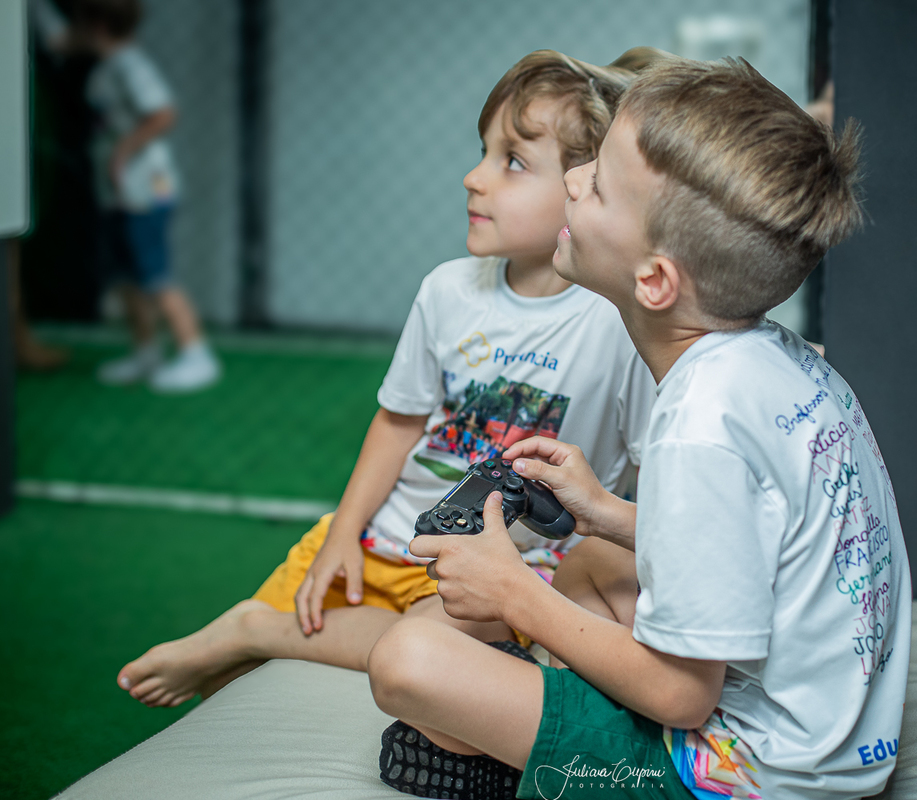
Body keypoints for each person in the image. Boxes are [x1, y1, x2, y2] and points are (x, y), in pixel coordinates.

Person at [367, 57, 912, 800]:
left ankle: (557, 766)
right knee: (591, 558)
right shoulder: (778, 363)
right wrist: (606, 512)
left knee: (407, 662)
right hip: (834, 742)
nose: (571, 180)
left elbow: (683, 697)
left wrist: (514, 593)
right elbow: (755, 542)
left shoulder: (698, 428)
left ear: (654, 280)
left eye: (597, 183)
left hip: (748, 776)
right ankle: (543, 725)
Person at [115, 49, 659, 709]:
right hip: (391, 534)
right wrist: (344, 532)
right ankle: (262, 631)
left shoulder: (622, 327)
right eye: (483, 153)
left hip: (498, 569)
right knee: (272, 650)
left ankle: (253, 631)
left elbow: (647, 480)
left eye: (513, 161)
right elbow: (399, 422)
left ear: (585, 188)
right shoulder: (447, 290)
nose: (473, 178)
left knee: (430, 648)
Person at [77, 0, 220, 392]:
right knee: (127, 276)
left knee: (155, 273)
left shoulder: (131, 66)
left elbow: (163, 113)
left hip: (146, 189)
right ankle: (146, 352)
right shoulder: (109, 67)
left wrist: (123, 151)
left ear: (97, 25)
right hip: (119, 192)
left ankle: (196, 354)